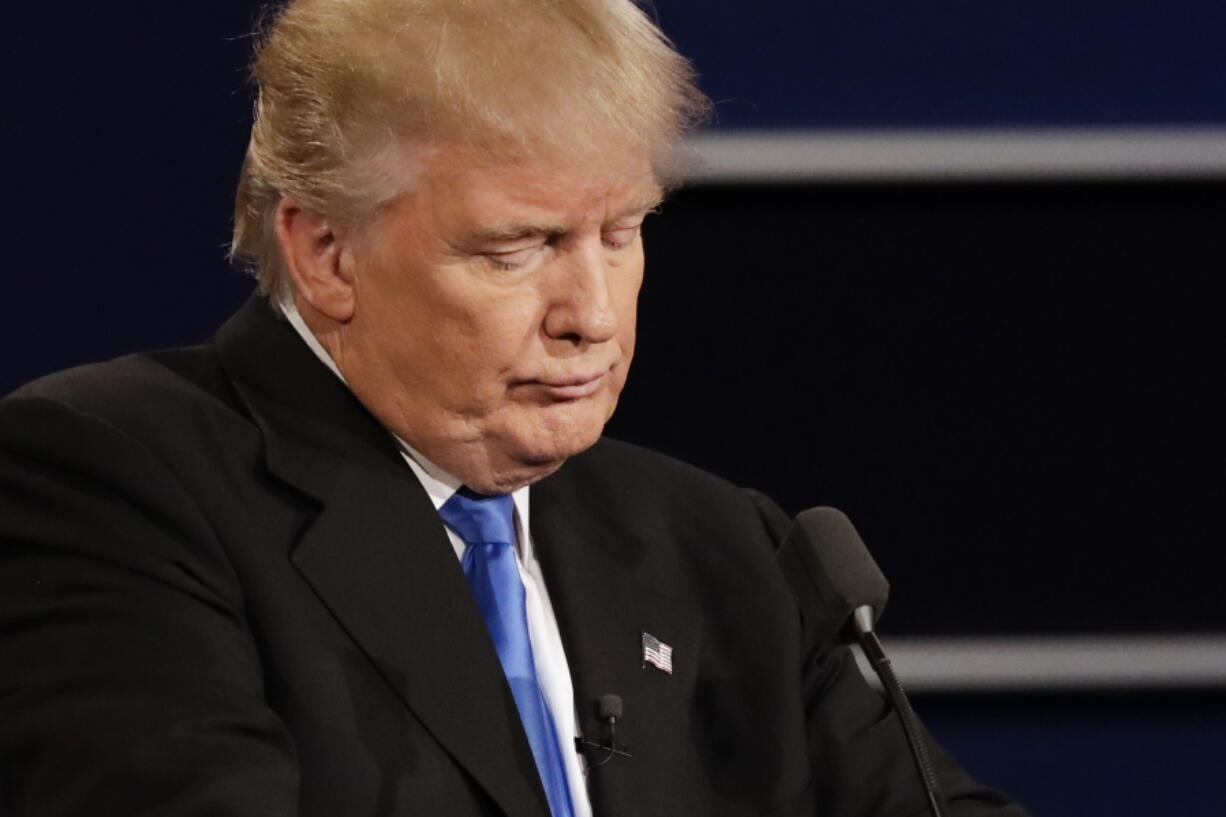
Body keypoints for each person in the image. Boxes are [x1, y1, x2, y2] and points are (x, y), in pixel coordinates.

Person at [0, 1, 1028, 815]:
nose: (590, 315)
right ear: (326, 252)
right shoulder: (113, 481)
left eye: (620, 234)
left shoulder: (725, 548)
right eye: (516, 248)